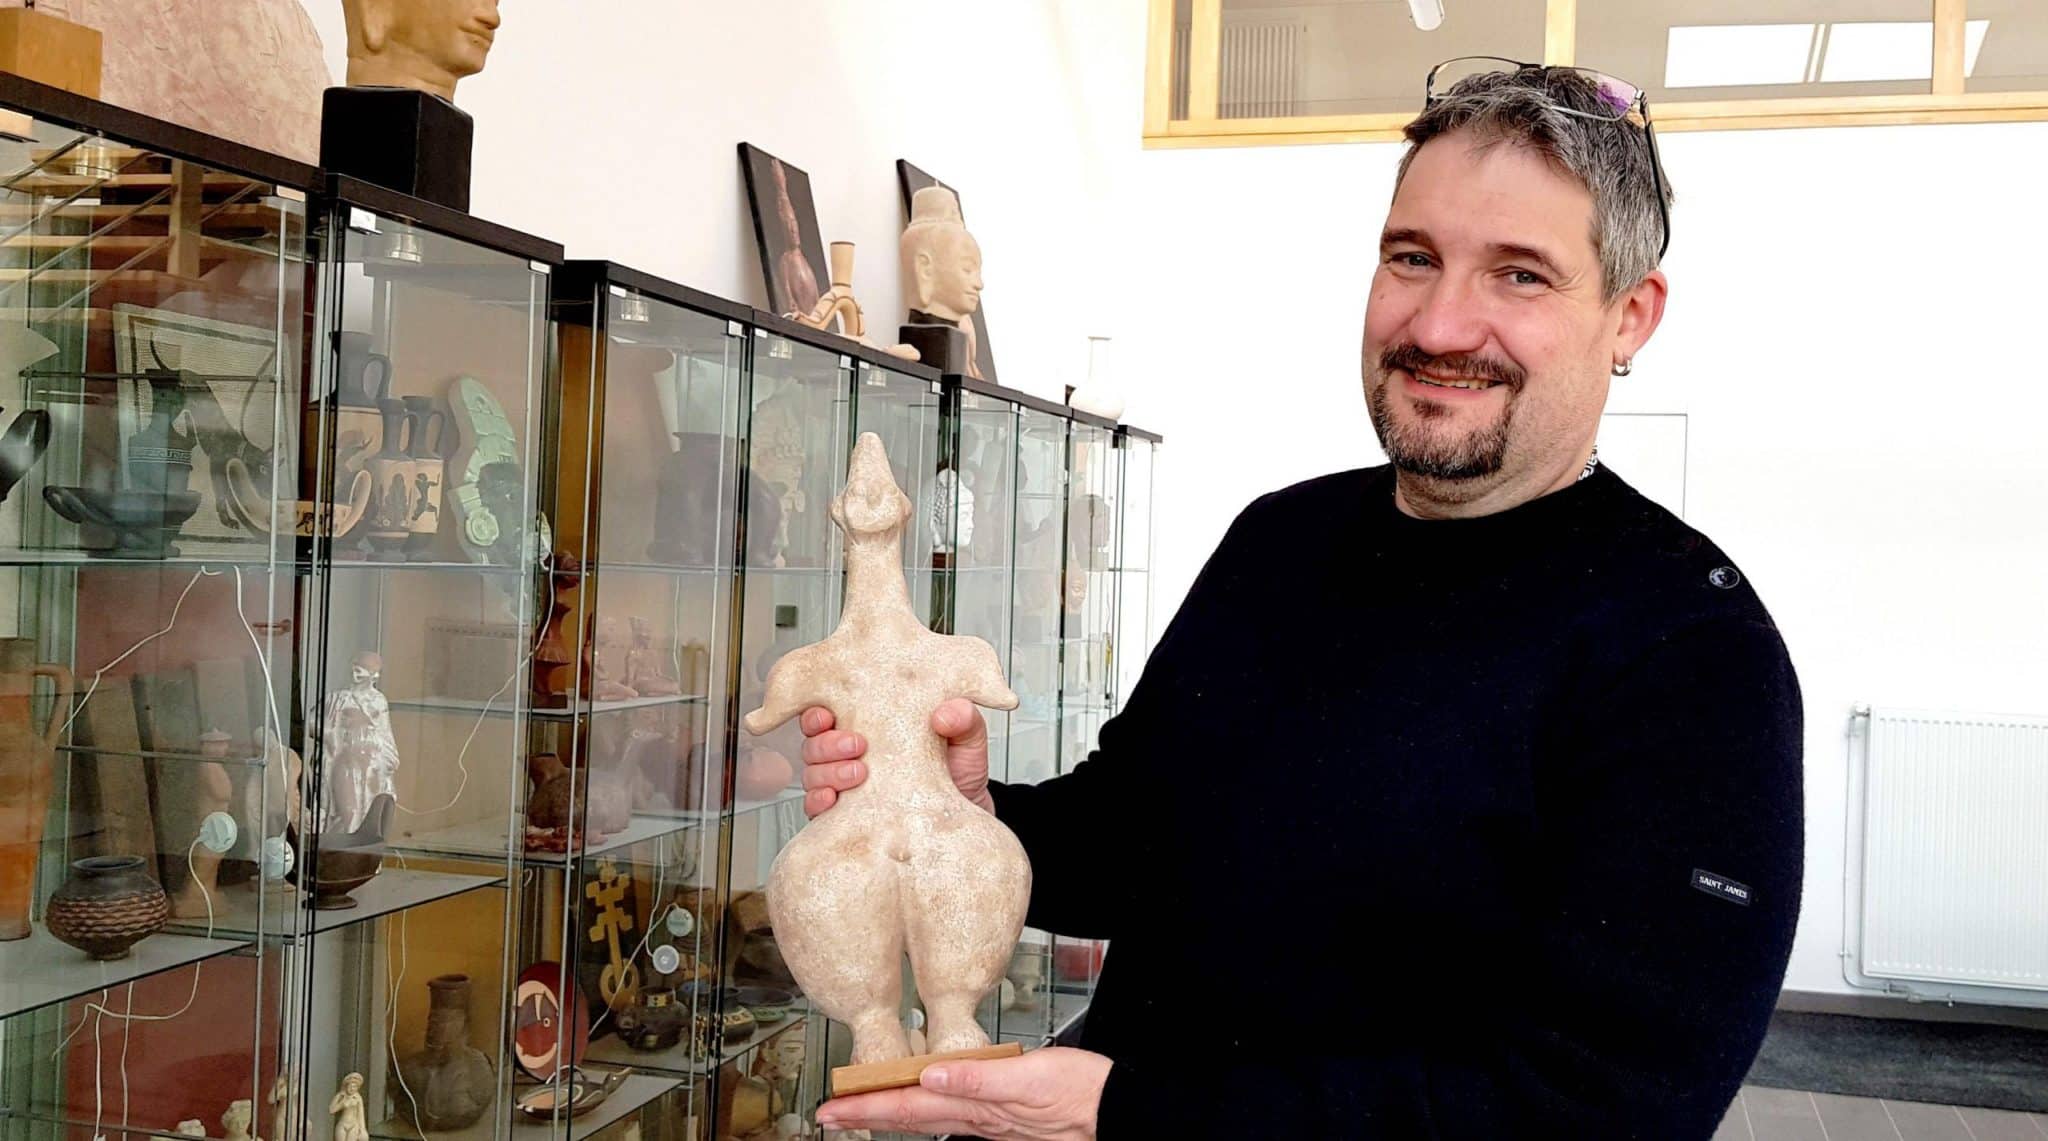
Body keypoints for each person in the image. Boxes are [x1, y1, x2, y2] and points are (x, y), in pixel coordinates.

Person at [799, 61, 1803, 1139]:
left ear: (1628, 317)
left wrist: (1132, 1113)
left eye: (1519, 276)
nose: (1441, 325)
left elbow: (1597, 1111)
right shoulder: (1282, 538)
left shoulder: (1688, 654)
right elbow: (1138, 839)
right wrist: (969, 815)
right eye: (1411, 258)